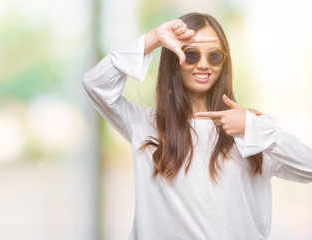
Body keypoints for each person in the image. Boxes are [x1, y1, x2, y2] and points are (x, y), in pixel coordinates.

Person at [82, 12, 312, 240]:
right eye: (191, 55)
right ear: (174, 59)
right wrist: (155, 38)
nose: (203, 65)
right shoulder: (144, 125)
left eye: (214, 56)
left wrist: (253, 128)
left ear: (224, 63)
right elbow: (95, 84)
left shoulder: (253, 128)